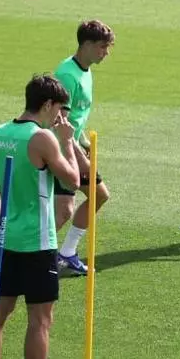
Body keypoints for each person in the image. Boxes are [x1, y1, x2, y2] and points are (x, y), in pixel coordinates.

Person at [0, 75, 82, 359]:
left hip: (8, 242)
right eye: (59, 110)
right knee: (40, 320)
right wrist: (67, 141)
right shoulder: (43, 138)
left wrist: (1, 226)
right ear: (47, 104)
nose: (60, 117)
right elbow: (73, 180)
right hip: (38, 243)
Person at [53, 20, 114, 277]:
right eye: (102, 47)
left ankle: (60, 254)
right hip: (61, 148)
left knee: (63, 210)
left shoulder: (84, 70)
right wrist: (78, 154)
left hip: (69, 145)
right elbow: (60, 121)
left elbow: (75, 117)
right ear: (87, 44)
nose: (106, 53)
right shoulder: (68, 74)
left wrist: (83, 141)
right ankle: (43, 255)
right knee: (97, 195)